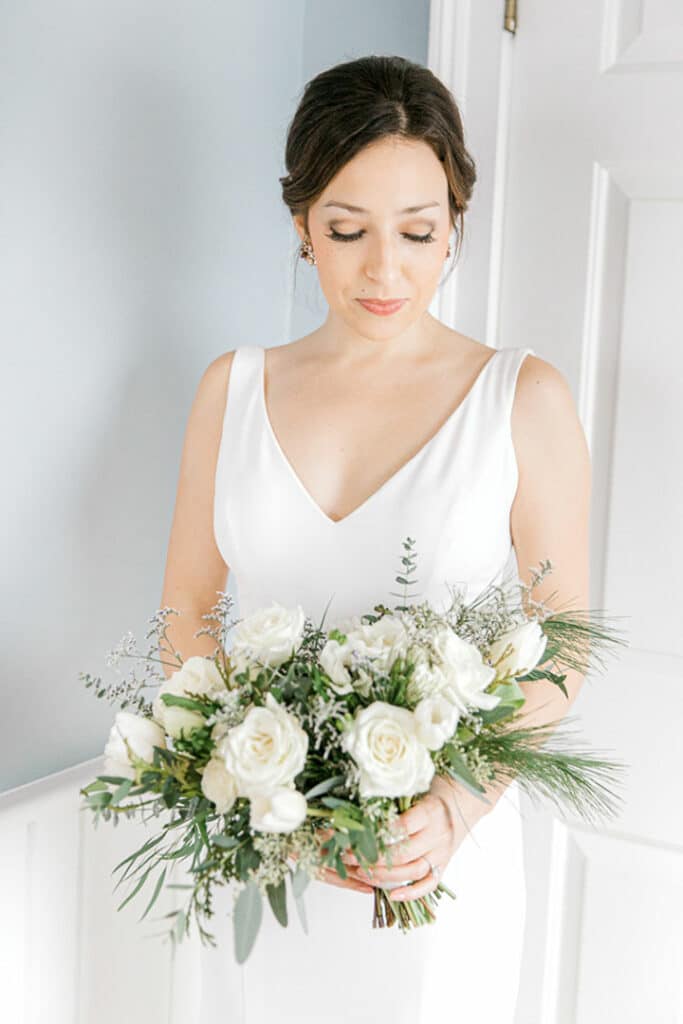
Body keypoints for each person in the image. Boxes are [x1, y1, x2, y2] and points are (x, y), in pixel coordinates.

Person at [161, 54, 591, 1023]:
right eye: (346, 230)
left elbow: (560, 640)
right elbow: (185, 611)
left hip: (432, 867)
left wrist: (455, 804)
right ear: (301, 226)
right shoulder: (229, 390)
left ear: (454, 228)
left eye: (417, 231)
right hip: (264, 861)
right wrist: (262, 791)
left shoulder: (520, 399)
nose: (382, 268)